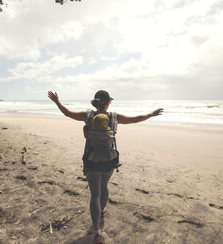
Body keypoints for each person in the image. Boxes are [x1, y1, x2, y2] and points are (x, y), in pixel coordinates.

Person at [47, 90, 163, 244]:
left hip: (91, 160)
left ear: (96, 102)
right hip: (109, 161)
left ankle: (97, 232)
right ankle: (102, 211)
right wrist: (151, 114)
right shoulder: (114, 117)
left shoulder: (87, 116)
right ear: (108, 103)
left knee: (95, 195)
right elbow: (136, 119)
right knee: (104, 185)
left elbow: (68, 113)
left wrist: (57, 101)